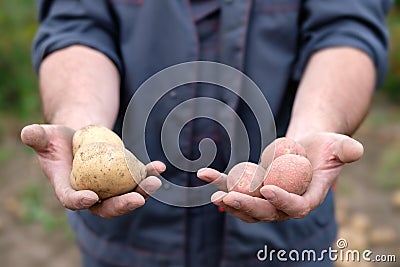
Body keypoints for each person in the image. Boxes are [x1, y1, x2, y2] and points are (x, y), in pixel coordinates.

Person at [21, 1, 391, 266]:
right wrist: (82, 122)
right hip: (132, 236)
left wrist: (314, 130)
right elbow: (78, 24)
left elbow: (346, 28)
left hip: (282, 248)